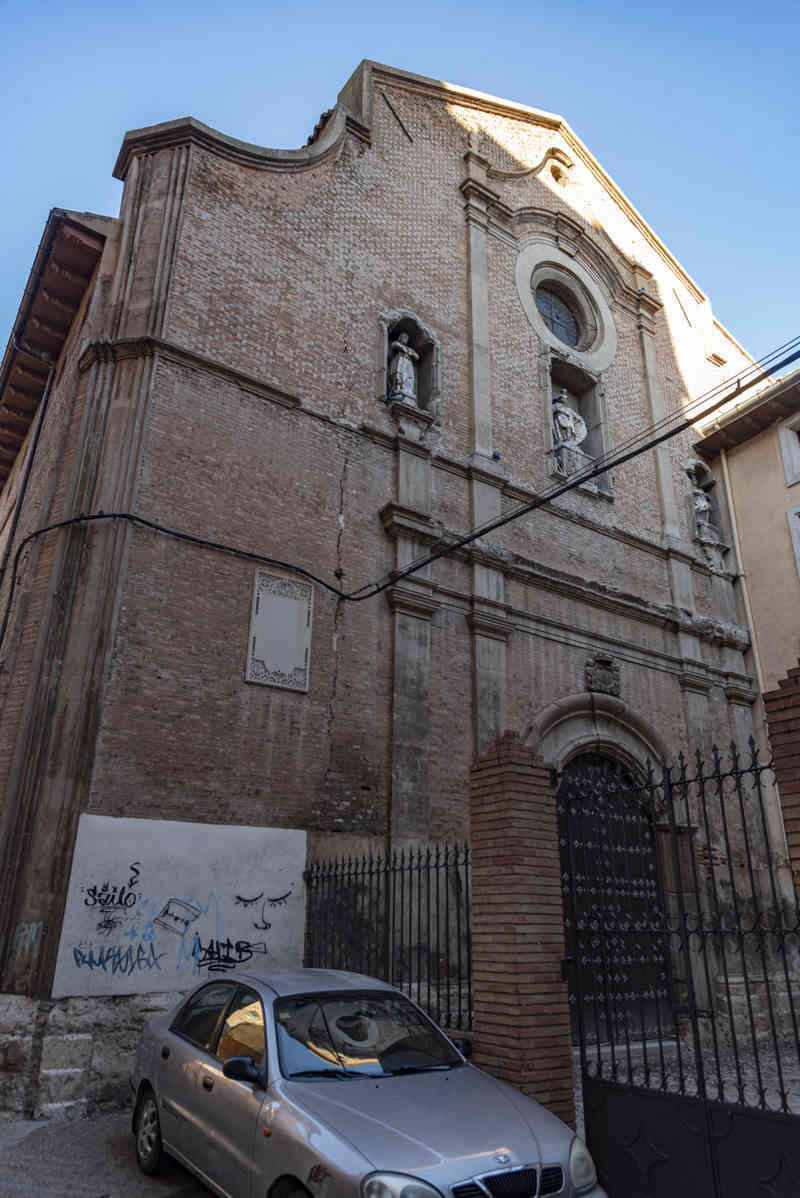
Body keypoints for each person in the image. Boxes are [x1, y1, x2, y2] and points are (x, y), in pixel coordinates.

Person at [388, 331, 419, 405]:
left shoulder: (409, 349)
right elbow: (394, 344)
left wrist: (411, 352)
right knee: (399, 375)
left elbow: (417, 356)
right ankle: (397, 390)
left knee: (409, 378)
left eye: (406, 338)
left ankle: (408, 393)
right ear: (400, 338)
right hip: (400, 361)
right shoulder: (398, 344)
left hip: (408, 364)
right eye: (403, 337)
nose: (405, 339)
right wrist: (403, 348)